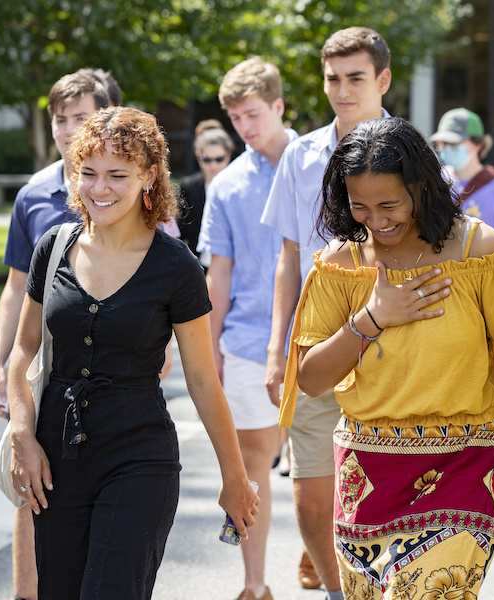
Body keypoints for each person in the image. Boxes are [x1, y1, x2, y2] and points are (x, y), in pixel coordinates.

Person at [282, 116, 494, 599]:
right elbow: (310, 379)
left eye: (390, 204)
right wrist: (371, 319)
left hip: (468, 459)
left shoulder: (476, 250)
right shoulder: (340, 265)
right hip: (367, 471)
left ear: (421, 187)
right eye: (360, 207)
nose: (376, 220)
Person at [7, 106, 259, 600]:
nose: (100, 189)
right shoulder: (53, 247)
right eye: (89, 173)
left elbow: (204, 380)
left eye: (117, 175)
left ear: (147, 176)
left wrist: (235, 476)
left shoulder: (177, 267)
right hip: (56, 457)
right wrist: (21, 433)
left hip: (139, 457)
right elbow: (23, 351)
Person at [260, 27, 394, 599]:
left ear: (383, 80)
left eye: (355, 78)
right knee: (314, 492)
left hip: (392, 333)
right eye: (332, 78)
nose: (341, 90)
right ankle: (339, 592)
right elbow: (289, 257)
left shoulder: (415, 153)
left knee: (383, 485)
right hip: (315, 338)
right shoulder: (301, 153)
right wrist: (276, 348)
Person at [0, 68, 113, 600]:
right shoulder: (33, 196)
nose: (68, 130)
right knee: (31, 481)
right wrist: (2, 366)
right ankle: (26, 592)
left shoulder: (137, 189)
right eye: (60, 120)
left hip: (113, 360)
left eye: (80, 117)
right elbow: (15, 289)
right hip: (44, 360)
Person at [197, 56, 296, 600]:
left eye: (253, 114)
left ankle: (322, 555)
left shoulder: (320, 162)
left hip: (324, 343)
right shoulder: (228, 184)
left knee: (322, 468)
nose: (244, 128)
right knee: (252, 467)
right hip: (247, 343)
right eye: (235, 118)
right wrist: (209, 351)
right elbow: (220, 274)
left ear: (279, 106)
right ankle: (255, 586)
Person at [431, 107, 494, 259]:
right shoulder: (435, 181)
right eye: (442, 144)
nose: (446, 149)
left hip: (484, 278)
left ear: (477, 144)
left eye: (454, 143)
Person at [178, 119, 234, 257]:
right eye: (207, 160)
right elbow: (180, 230)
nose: (213, 165)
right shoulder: (190, 186)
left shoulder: (239, 187)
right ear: (199, 157)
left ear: (228, 156)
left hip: (232, 264)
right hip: (198, 263)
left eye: (219, 159)